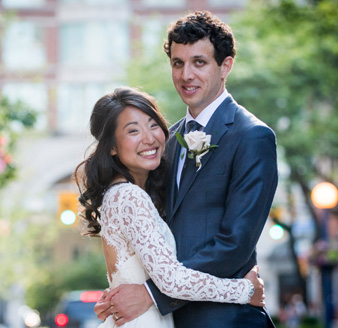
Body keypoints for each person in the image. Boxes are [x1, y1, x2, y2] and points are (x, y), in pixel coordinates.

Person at [95, 10, 278, 328]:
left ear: (226, 66)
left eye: (199, 62)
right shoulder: (164, 143)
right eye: (177, 63)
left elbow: (235, 243)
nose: (186, 75)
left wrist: (152, 294)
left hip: (223, 318)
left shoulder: (251, 136)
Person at [75, 86, 266, 328]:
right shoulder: (130, 197)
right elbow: (172, 281)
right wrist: (246, 290)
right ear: (111, 147)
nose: (149, 137)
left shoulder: (120, 194)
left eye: (153, 124)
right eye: (133, 130)